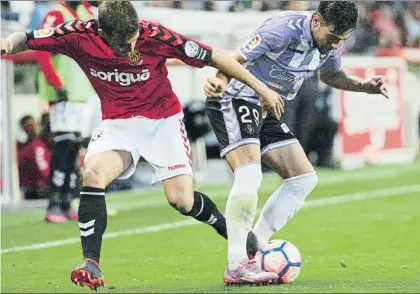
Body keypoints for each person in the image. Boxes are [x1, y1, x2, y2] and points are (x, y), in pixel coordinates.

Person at [1, 1, 284, 290]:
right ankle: (91, 262)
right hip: (119, 126)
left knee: (181, 201)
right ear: (101, 32)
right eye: (123, 43)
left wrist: (262, 88)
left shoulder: (156, 35)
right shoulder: (77, 34)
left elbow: (216, 57)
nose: (132, 45)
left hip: (163, 124)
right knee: (93, 173)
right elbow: (28, 37)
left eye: (134, 37)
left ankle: (236, 234)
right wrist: (7, 44)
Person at [204, 1, 389, 286]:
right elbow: (233, 59)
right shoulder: (282, 29)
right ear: (316, 21)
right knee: (249, 174)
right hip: (236, 97)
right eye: (331, 37)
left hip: (269, 107)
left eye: (341, 39)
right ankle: (236, 264)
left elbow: (331, 75)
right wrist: (218, 82)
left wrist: (363, 86)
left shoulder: (331, 40)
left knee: (303, 179)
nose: (334, 44)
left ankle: (256, 249)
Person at [36, 1, 98, 224]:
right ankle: (53, 204)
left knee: (75, 148)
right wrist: (55, 83)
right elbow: (42, 51)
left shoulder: (86, 11)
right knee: (64, 146)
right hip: (64, 92)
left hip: (83, 92)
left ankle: (67, 201)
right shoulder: (56, 13)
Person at [17, 115, 51, 200]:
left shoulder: (37, 146)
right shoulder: (36, 147)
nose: (33, 128)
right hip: (38, 191)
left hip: (32, 189)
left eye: (34, 125)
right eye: (28, 126)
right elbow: (43, 170)